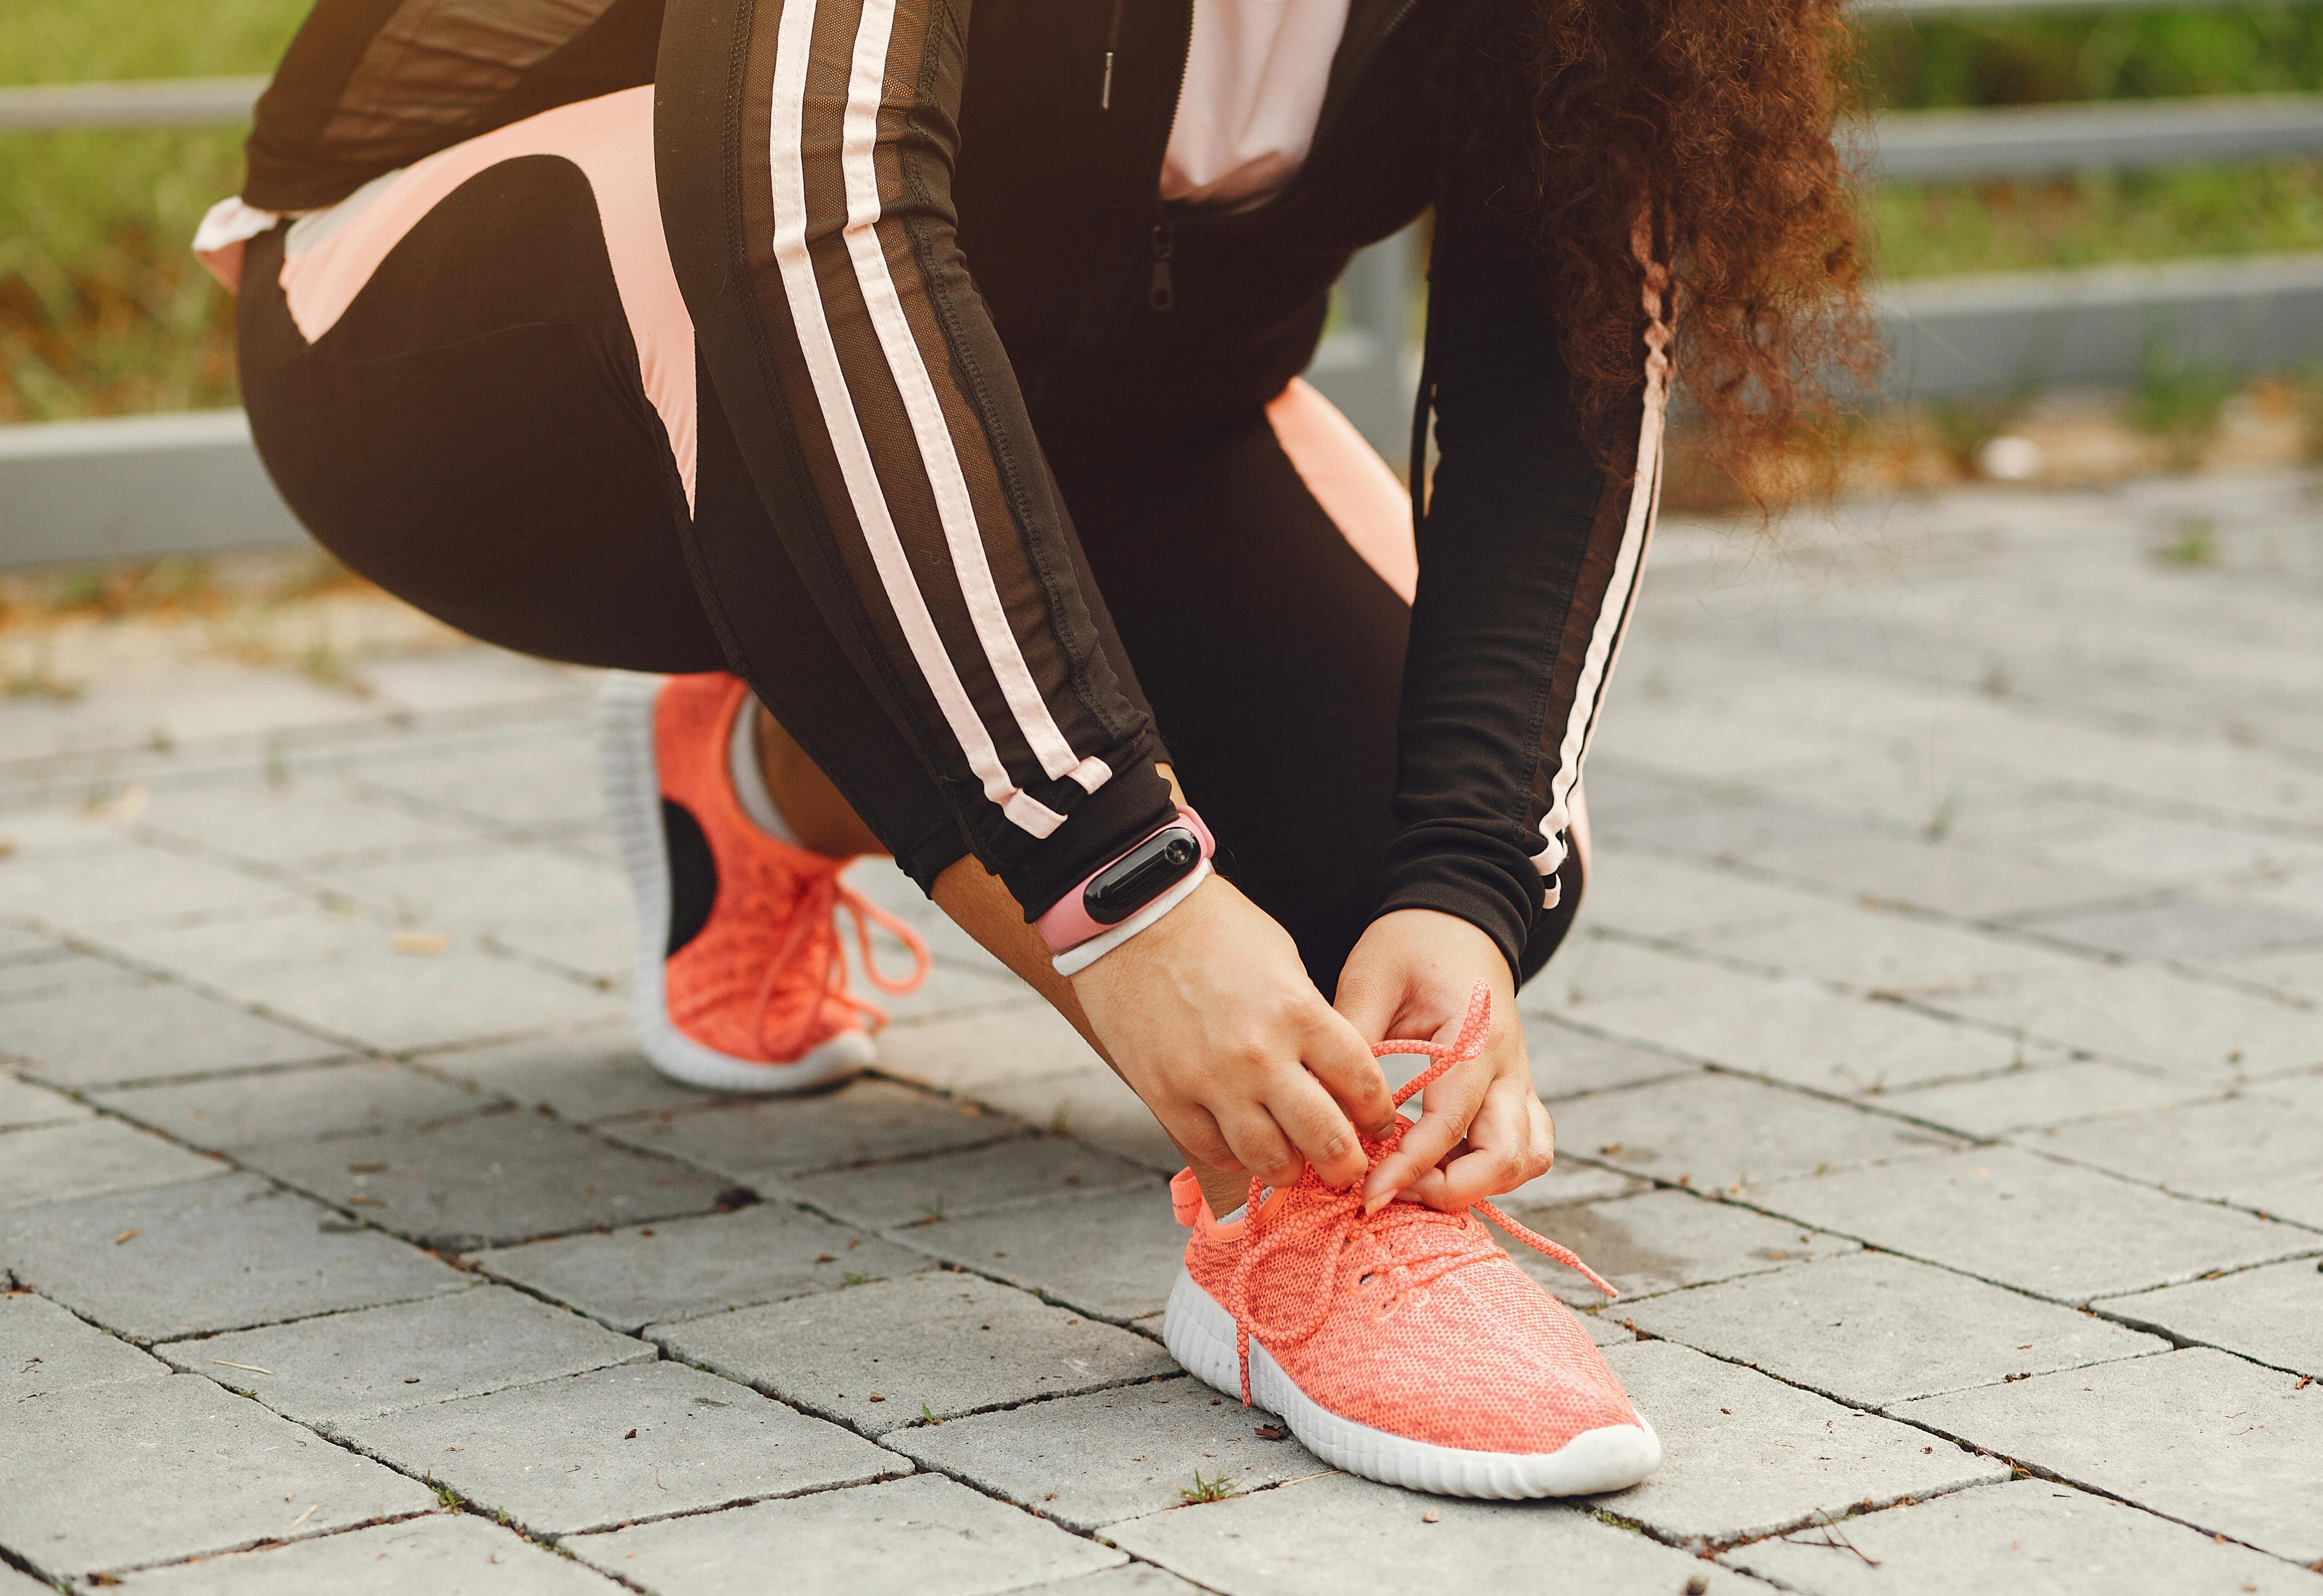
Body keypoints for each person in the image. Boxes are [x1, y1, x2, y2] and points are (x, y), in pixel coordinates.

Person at [196, 0, 1861, 1498]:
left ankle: (776, 773)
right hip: (486, 327)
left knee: (1403, 873)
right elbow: (806, 221)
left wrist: (1476, 887)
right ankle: (1303, 1200)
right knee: (713, 208)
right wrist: (1121, 891)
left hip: (1076, 374)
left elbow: (1555, 356)